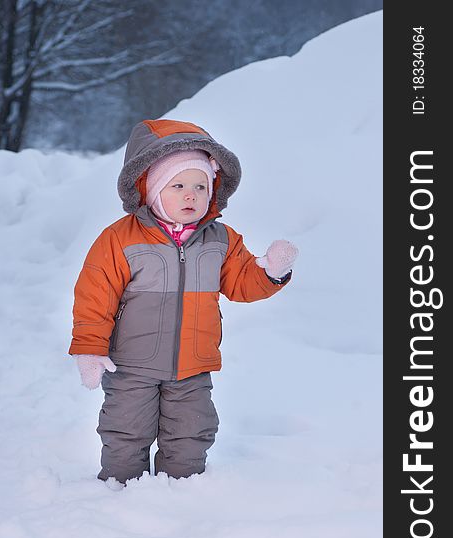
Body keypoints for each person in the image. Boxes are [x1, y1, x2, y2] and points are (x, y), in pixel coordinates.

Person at [69, 118, 297, 486]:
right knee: (125, 432)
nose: (190, 195)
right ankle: (116, 494)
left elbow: (241, 283)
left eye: (200, 186)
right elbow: (95, 296)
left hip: (193, 365)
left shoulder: (221, 239)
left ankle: (182, 497)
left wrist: (271, 272)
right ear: (152, 189)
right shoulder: (119, 239)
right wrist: (89, 348)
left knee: (192, 434)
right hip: (131, 366)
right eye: (178, 186)